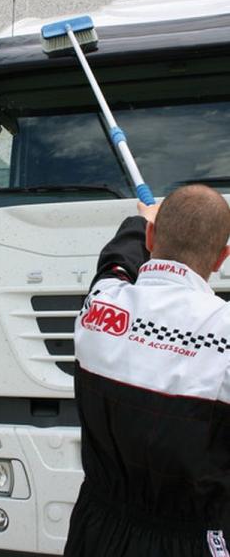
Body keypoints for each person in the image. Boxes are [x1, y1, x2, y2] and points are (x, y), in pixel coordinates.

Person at [64, 184, 230, 557]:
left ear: (151, 237)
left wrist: (139, 222)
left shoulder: (101, 307)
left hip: (94, 531)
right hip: (190, 542)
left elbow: (114, 261)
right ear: (222, 258)